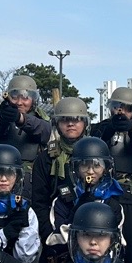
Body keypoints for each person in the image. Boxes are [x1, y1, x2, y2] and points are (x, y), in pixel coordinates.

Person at [90, 85, 132, 263]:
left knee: (130, 251)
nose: (121, 111)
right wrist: (109, 130)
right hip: (104, 193)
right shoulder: (101, 128)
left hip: (130, 195)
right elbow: (93, 144)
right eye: (116, 106)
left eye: (127, 108)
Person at [28, 94, 92, 236]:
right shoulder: (46, 158)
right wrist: (48, 234)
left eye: (76, 119)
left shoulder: (94, 154)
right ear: (56, 124)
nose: (70, 124)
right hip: (55, 223)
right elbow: (39, 201)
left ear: (85, 123)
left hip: (91, 223)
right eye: (64, 119)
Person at [0, 74, 52, 175]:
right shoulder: (2, 119)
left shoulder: (40, 120)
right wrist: (3, 118)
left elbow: (43, 130)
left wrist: (20, 119)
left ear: (33, 99)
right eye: (14, 97)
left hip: (33, 174)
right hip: (3, 174)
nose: (19, 102)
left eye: (25, 97)